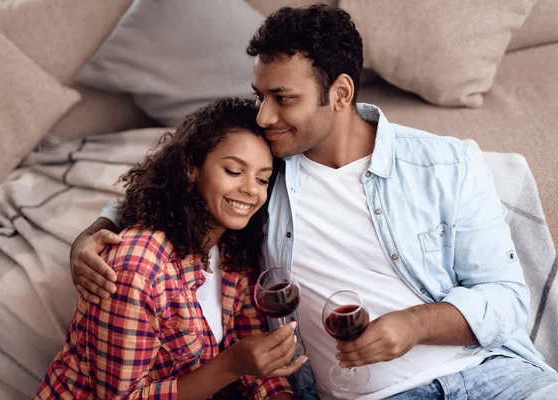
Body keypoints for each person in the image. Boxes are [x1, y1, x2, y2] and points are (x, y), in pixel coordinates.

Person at [69, 5, 558, 400]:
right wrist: (91, 236)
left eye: (283, 98)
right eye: (260, 95)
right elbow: (183, 183)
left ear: (340, 92)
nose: (264, 115)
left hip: (493, 374)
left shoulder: (447, 164)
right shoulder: (264, 171)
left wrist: (413, 326)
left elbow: (507, 296)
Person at [37, 98, 306, 400]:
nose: (250, 190)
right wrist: (229, 367)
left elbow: (249, 341)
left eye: (262, 179)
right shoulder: (136, 270)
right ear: (191, 168)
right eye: (233, 171)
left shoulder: (230, 248)